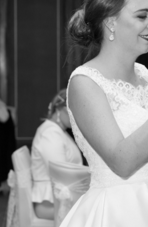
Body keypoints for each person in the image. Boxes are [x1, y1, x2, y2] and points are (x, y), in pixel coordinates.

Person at [61, 0, 148, 227]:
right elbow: (122, 162)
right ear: (110, 22)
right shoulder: (85, 82)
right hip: (120, 211)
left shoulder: (145, 75)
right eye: (142, 16)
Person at [30, 89, 82, 220]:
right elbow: (61, 175)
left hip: (60, 200)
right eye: (74, 110)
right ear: (60, 108)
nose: (78, 116)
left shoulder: (59, 131)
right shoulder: (50, 133)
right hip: (51, 204)